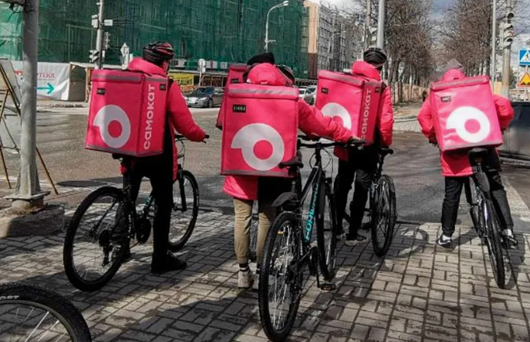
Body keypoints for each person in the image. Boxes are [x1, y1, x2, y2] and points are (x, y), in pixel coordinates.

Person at [218, 60, 357, 289]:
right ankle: (262, 272)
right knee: (265, 218)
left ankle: (243, 272)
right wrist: (346, 136)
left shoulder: (237, 92)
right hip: (274, 168)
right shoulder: (289, 97)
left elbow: (223, 123)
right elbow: (319, 122)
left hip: (241, 168)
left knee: (241, 218)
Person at [118, 41, 207, 274]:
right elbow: (184, 122)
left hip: (127, 148)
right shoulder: (166, 84)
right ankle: (159, 259)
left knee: (128, 197)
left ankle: (120, 245)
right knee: (163, 205)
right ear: (165, 62)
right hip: (158, 154)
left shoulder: (125, 77)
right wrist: (199, 136)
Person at [417, 61, 516, 249]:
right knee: (495, 188)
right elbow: (504, 106)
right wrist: (499, 126)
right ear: (463, 74)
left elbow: (424, 117)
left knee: (452, 195)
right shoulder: (475, 88)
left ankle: (446, 236)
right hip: (484, 147)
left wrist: (434, 135)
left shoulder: (437, 92)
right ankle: (507, 230)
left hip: (455, 154)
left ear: (445, 74)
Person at [333, 47, 395, 245]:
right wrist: (384, 142)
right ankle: (352, 234)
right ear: (380, 66)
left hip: (346, 141)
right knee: (362, 188)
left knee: (342, 184)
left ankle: (336, 228)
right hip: (368, 145)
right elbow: (385, 120)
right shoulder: (381, 87)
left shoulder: (345, 80)